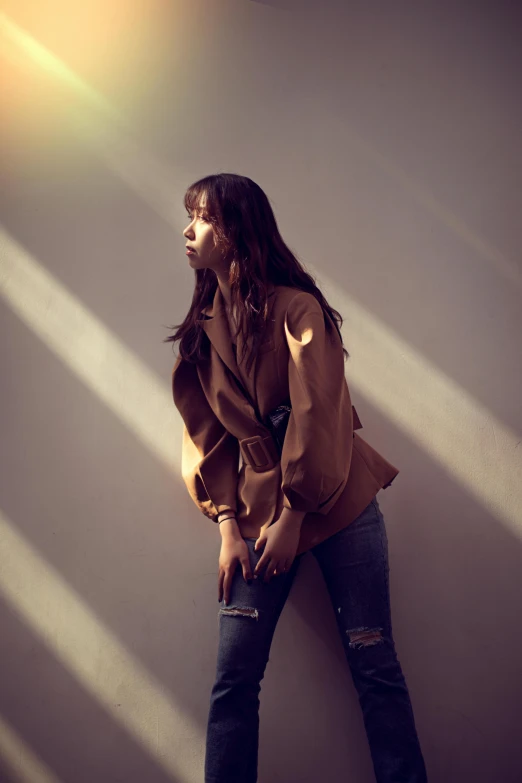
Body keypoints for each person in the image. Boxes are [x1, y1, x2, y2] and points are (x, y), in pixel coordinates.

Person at [166, 173, 428, 783]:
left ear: (234, 231)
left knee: (375, 667)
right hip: (256, 519)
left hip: (338, 502)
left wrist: (294, 516)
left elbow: (319, 417)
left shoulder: (298, 309)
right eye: (191, 217)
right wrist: (229, 526)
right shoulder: (204, 324)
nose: (188, 229)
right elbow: (206, 436)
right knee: (234, 681)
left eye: (202, 218)